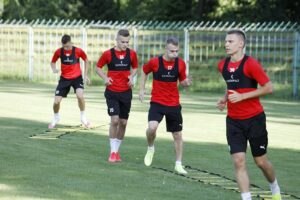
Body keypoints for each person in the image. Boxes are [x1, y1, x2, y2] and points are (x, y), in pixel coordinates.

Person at [216, 29, 281, 200]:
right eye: (226, 41)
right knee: (238, 160)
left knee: (261, 162)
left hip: (255, 120)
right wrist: (225, 99)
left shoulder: (251, 64)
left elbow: (269, 87)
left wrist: (243, 96)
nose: (226, 44)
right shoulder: (222, 65)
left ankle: (274, 188)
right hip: (233, 122)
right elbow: (231, 85)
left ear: (241, 44)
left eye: (230, 41)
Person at [139, 37, 192, 174]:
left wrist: (186, 83)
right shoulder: (155, 62)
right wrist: (142, 89)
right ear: (165, 49)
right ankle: (151, 147)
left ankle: (178, 164)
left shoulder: (180, 64)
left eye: (177, 51)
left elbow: (183, 82)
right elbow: (144, 71)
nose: (175, 54)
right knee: (152, 128)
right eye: (172, 51)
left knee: (177, 134)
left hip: (174, 103)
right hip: (157, 102)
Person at [96, 29, 138, 163]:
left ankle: (117, 151)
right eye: (122, 42)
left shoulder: (132, 54)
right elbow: (98, 67)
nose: (125, 44)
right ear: (116, 40)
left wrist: (131, 77)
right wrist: (105, 77)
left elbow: (135, 67)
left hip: (126, 92)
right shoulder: (108, 54)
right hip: (112, 92)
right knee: (114, 121)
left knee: (123, 123)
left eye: (127, 42)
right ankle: (112, 152)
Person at [49, 34, 91, 129]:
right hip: (64, 79)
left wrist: (85, 74)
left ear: (71, 43)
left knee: (80, 96)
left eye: (67, 46)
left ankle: (83, 117)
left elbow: (86, 60)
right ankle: (56, 117)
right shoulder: (59, 52)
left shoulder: (78, 51)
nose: (66, 48)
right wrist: (54, 69)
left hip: (77, 78)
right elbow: (52, 62)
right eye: (64, 46)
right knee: (56, 102)